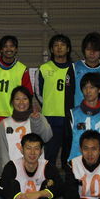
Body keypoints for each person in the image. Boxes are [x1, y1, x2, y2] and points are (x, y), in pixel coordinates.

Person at [0, 133, 60, 199]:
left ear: (41, 151)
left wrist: (39, 194)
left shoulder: (47, 166)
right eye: (28, 148)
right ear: (21, 150)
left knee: (49, 184)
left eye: (36, 148)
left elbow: (60, 187)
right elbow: (0, 188)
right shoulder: (12, 166)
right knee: (11, 184)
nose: (32, 152)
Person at [0, 86, 52, 173]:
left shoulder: (37, 117)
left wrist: (36, 121)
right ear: (12, 102)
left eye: (25, 99)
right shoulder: (4, 123)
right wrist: (6, 171)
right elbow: (2, 152)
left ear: (29, 101)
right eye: (17, 99)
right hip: (13, 171)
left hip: (36, 170)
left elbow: (46, 137)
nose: (21, 102)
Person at [65, 32, 100, 126]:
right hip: (79, 118)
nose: (92, 53)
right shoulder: (74, 68)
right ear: (83, 50)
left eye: (95, 50)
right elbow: (68, 96)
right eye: (89, 49)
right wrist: (69, 118)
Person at [38, 34, 72, 164]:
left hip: (71, 118)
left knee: (70, 156)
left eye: (62, 45)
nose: (59, 48)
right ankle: (49, 177)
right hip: (50, 118)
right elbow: (38, 92)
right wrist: (48, 104)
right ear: (51, 49)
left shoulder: (75, 68)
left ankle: (69, 177)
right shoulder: (44, 68)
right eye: (56, 45)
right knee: (49, 155)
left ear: (68, 48)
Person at [0, 35, 33, 120]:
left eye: (11, 46)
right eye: (5, 46)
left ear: (16, 49)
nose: (9, 49)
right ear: (1, 49)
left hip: (12, 115)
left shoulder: (22, 69)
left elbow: (28, 94)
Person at [66, 72, 100, 161]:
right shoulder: (72, 114)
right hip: (76, 163)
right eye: (85, 87)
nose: (88, 91)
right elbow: (66, 143)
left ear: (99, 89)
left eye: (92, 87)